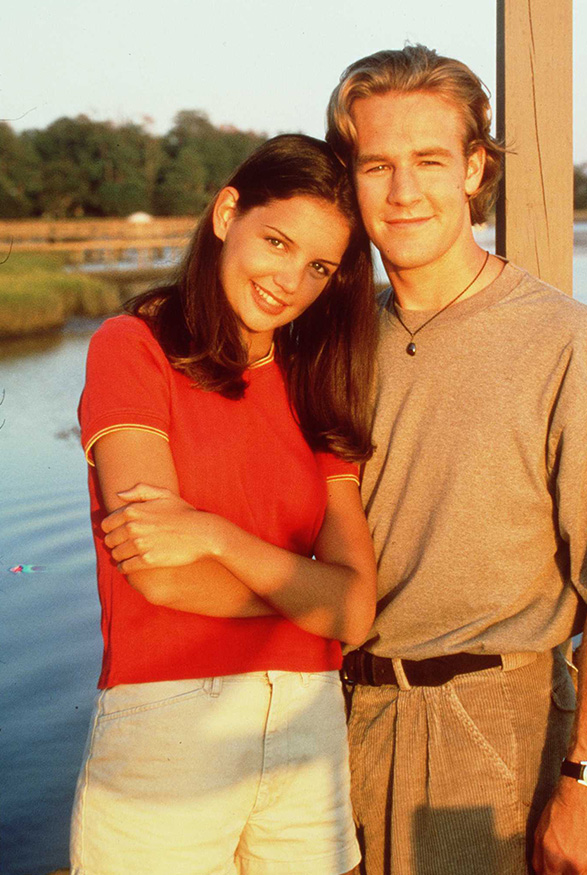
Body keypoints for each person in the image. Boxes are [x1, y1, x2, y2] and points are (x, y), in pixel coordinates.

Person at [326, 45, 587, 875]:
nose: (404, 192)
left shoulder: (569, 344)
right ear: (350, 178)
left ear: (476, 168)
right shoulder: (332, 341)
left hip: (487, 736)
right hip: (330, 727)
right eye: (378, 165)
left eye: (430, 161)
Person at [70, 133, 378, 875]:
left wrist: (215, 535)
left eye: (318, 267)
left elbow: (356, 613)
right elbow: (160, 573)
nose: (288, 281)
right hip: (169, 723)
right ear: (226, 212)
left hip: (308, 729)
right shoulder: (132, 347)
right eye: (276, 241)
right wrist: (312, 594)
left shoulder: (316, 382)